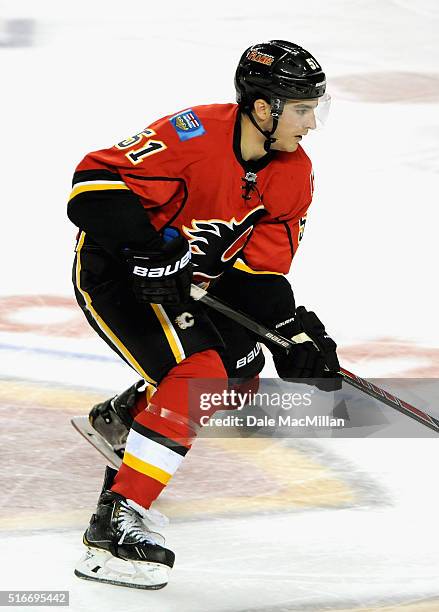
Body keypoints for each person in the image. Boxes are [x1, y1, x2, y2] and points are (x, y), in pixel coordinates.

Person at [67, 39, 341, 590]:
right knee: (199, 378)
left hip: (190, 290)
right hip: (117, 275)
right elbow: (90, 189)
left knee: (237, 380)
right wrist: (148, 247)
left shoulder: (294, 175)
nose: (312, 123)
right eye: (303, 109)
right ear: (263, 108)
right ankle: (116, 522)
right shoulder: (191, 132)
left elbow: (259, 276)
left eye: (316, 108)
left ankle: (125, 421)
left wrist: (291, 334)